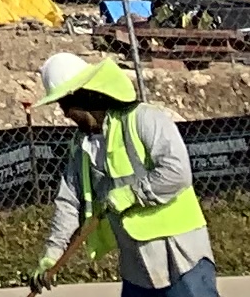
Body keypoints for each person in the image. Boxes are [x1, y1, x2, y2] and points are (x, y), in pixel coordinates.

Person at [25, 48, 216, 297]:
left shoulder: (145, 119)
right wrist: (52, 253)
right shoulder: (80, 146)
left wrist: (129, 195)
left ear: (85, 96)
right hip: (137, 266)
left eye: (65, 103)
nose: (64, 113)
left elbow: (177, 172)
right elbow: (69, 202)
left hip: (180, 256)